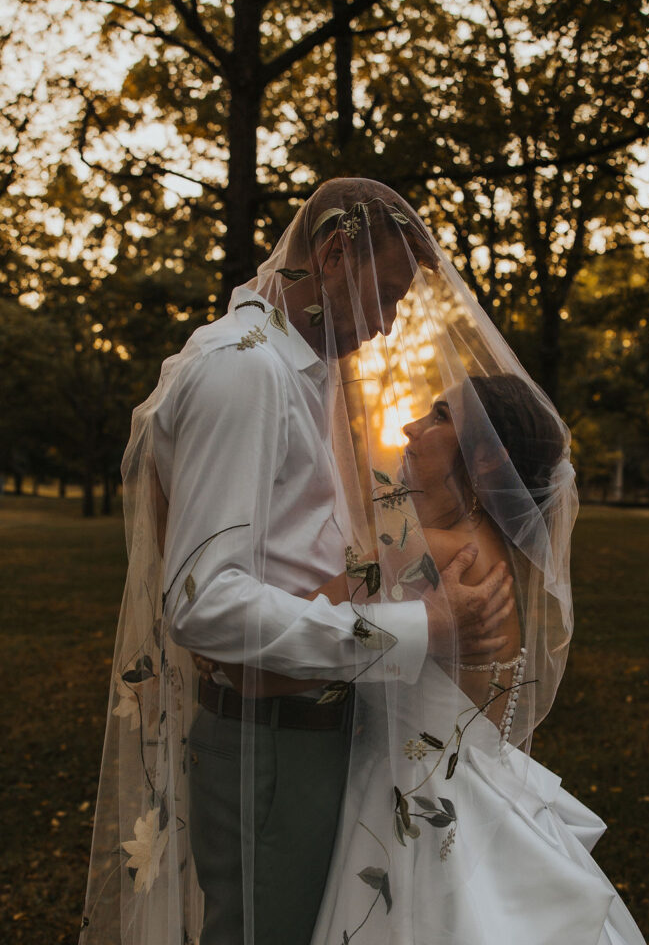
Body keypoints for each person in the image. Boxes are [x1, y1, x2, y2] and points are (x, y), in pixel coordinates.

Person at [79, 178, 516, 945]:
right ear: (333, 253)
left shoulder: (301, 372)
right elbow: (201, 601)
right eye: (382, 295)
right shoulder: (245, 371)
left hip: (310, 730)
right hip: (267, 743)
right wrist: (422, 629)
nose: (383, 327)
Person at [309, 374, 648, 944]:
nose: (411, 427)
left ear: (490, 462)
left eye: (440, 416)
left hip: (407, 798)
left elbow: (304, 614)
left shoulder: (431, 550)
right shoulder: (504, 556)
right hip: (477, 789)